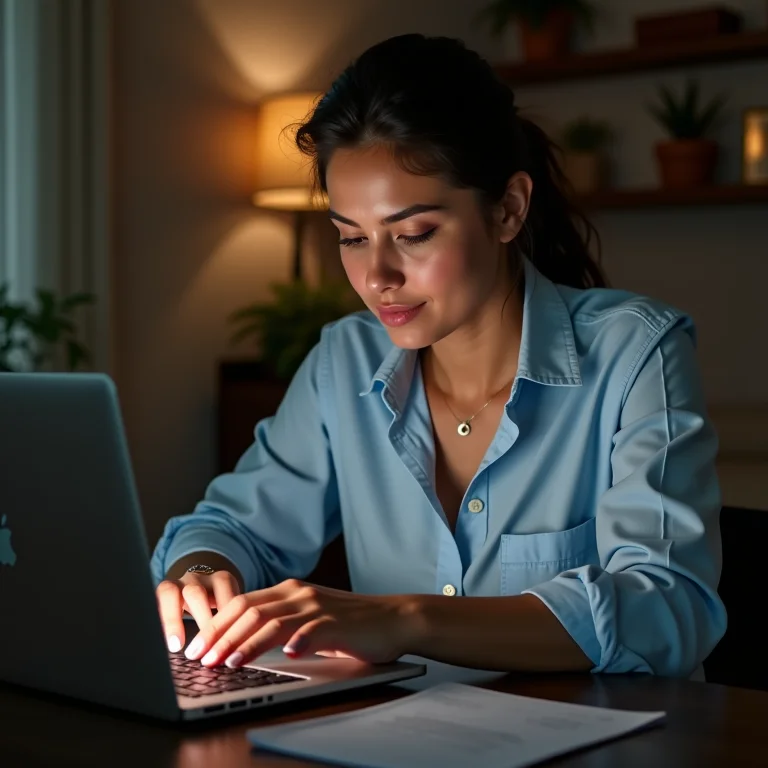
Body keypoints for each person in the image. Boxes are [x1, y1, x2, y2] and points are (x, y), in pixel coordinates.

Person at [151, 34, 726, 677]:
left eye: (414, 234)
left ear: (508, 209)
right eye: (351, 238)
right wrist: (202, 572)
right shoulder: (344, 360)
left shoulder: (636, 353)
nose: (377, 276)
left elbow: (667, 607)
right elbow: (237, 527)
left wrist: (406, 620)